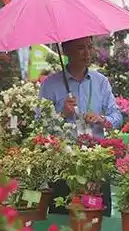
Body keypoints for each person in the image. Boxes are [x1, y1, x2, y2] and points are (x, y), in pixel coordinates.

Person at [39, 36, 123, 216]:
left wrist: (102, 119)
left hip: (96, 162)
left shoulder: (100, 82)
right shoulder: (50, 84)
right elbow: (40, 124)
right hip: (64, 163)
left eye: (89, 47)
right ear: (65, 51)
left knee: (98, 216)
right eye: (80, 48)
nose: (87, 53)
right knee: (62, 216)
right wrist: (63, 114)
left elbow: (117, 116)